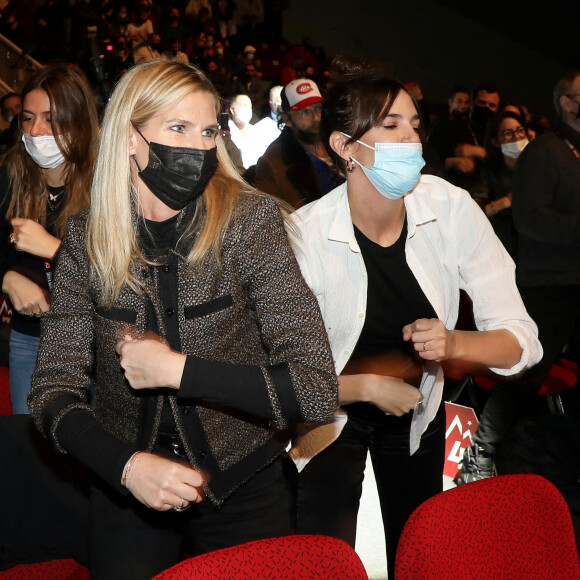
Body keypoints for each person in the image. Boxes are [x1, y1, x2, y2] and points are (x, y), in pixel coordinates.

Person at [28, 59, 338, 580]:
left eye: (208, 130)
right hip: (125, 485)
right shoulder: (86, 238)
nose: (198, 147)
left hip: (243, 484)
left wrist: (179, 372)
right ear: (130, 137)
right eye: (177, 128)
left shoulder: (249, 221)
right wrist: (126, 467)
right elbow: (51, 390)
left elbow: (314, 389)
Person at [288, 70, 542, 579]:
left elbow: (522, 341)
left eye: (415, 123)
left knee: (417, 551)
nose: (412, 138)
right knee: (322, 556)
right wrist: (366, 387)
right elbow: (279, 380)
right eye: (391, 124)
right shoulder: (304, 235)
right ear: (345, 146)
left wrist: (454, 342)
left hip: (418, 408)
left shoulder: (449, 209)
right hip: (328, 410)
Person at [459, 70, 580, 482]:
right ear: (566, 102)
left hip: (574, 281)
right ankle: (477, 459)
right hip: (548, 284)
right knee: (523, 376)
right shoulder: (546, 152)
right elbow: (532, 221)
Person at [0, 64, 99, 415]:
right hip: (30, 339)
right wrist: (7, 277)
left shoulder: (109, 183)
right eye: (27, 118)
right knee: (33, 451)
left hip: (99, 347)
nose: (36, 130)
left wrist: (55, 249)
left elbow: (125, 277)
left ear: (78, 120)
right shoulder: (10, 174)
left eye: (50, 119)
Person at [254, 78, 344, 208]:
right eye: (305, 112)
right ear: (287, 119)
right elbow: (264, 215)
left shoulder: (339, 142)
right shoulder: (274, 162)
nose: (316, 117)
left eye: (318, 109)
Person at [470, 110, 531, 262]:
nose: (517, 137)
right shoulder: (487, 172)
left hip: (535, 249)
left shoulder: (539, 166)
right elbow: (471, 212)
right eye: (508, 133)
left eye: (520, 130)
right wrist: (505, 202)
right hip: (501, 250)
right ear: (495, 141)